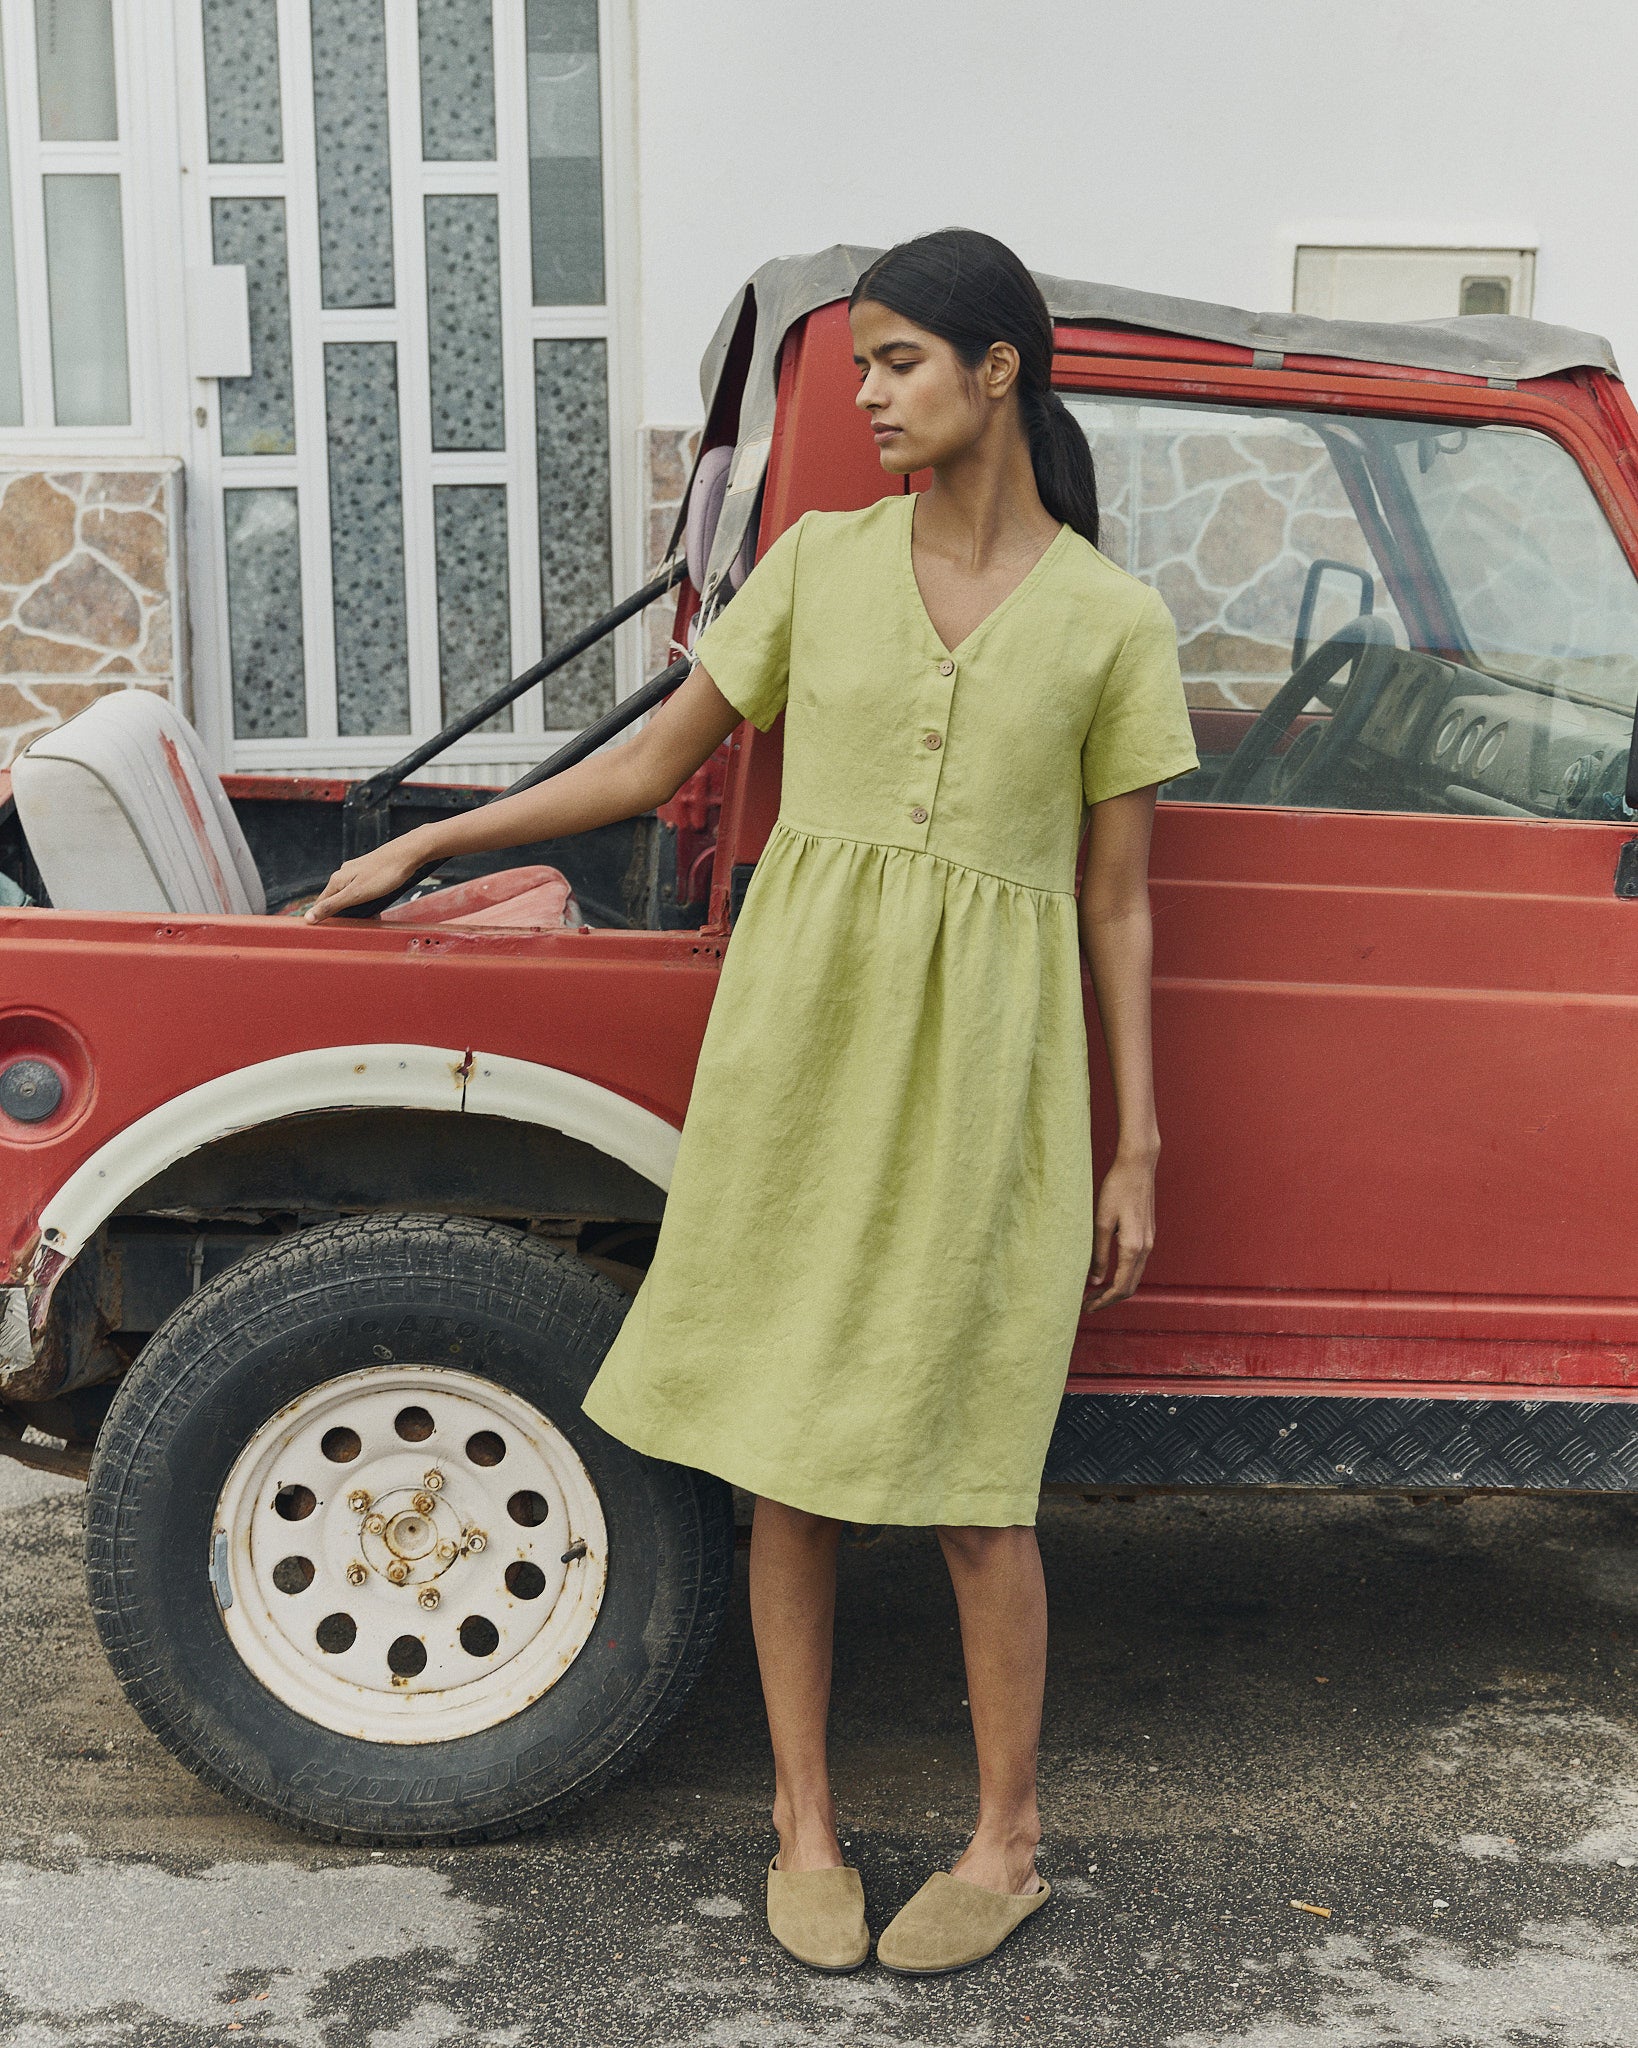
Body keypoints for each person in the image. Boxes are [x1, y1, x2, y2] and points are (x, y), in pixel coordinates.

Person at [306, 227, 1198, 1977]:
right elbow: (653, 761)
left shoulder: (1111, 618)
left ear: (997, 369)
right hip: (802, 1060)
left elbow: (1116, 903)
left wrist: (1136, 1143)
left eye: (896, 362)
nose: (866, 396)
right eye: (857, 365)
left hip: (990, 1084)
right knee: (789, 1466)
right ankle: (801, 1823)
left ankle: (1006, 1841)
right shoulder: (816, 562)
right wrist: (429, 839)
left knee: (974, 1480)